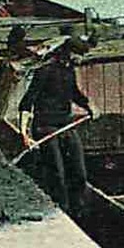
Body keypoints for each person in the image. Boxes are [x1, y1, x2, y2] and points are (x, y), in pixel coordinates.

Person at [19, 39, 95, 213]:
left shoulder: (69, 71)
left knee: (79, 173)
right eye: (79, 55)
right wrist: (24, 134)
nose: (81, 59)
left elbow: (74, 93)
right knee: (57, 174)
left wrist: (89, 107)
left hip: (65, 125)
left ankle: (79, 211)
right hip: (45, 127)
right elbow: (26, 103)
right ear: (68, 53)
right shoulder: (45, 70)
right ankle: (62, 209)